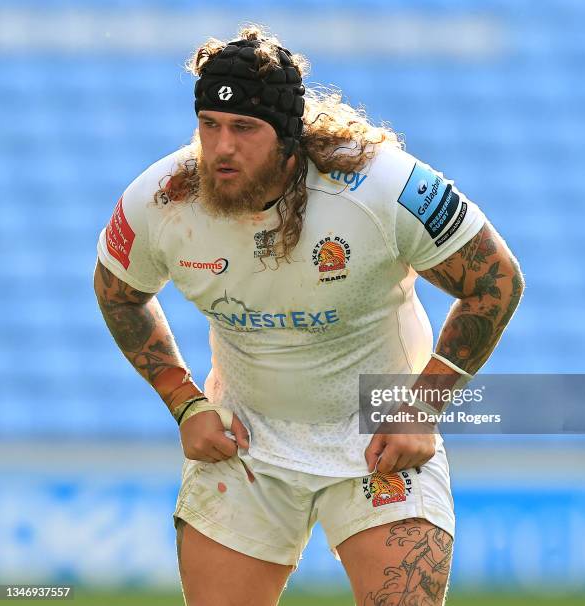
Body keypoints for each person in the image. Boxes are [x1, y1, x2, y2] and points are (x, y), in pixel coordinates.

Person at [94, 25, 524, 606]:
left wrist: (422, 409)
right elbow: (118, 292)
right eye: (209, 126)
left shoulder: (382, 185)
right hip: (245, 442)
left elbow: (496, 282)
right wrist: (184, 400)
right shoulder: (162, 199)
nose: (222, 147)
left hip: (379, 436)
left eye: (245, 128)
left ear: (288, 139)